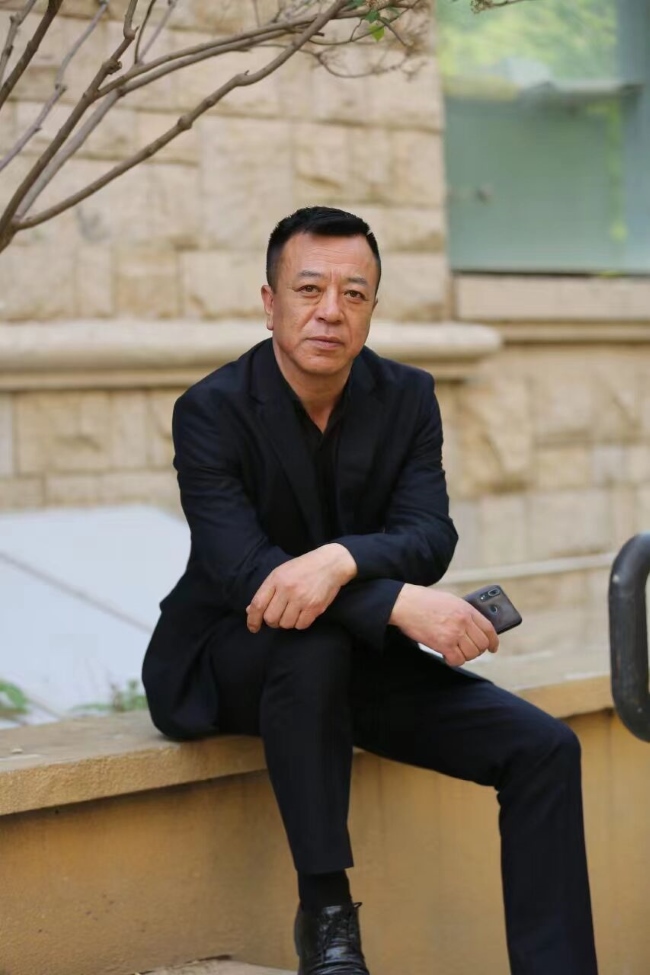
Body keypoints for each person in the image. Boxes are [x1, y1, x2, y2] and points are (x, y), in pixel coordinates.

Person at [143, 206, 599, 975]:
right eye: (309, 289)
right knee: (310, 645)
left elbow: (429, 534)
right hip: (229, 661)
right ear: (269, 303)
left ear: (373, 308)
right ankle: (327, 919)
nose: (331, 310)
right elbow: (245, 573)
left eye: (353, 293)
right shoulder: (211, 410)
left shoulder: (407, 396)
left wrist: (339, 561)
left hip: (356, 663)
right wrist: (395, 602)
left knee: (544, 748)